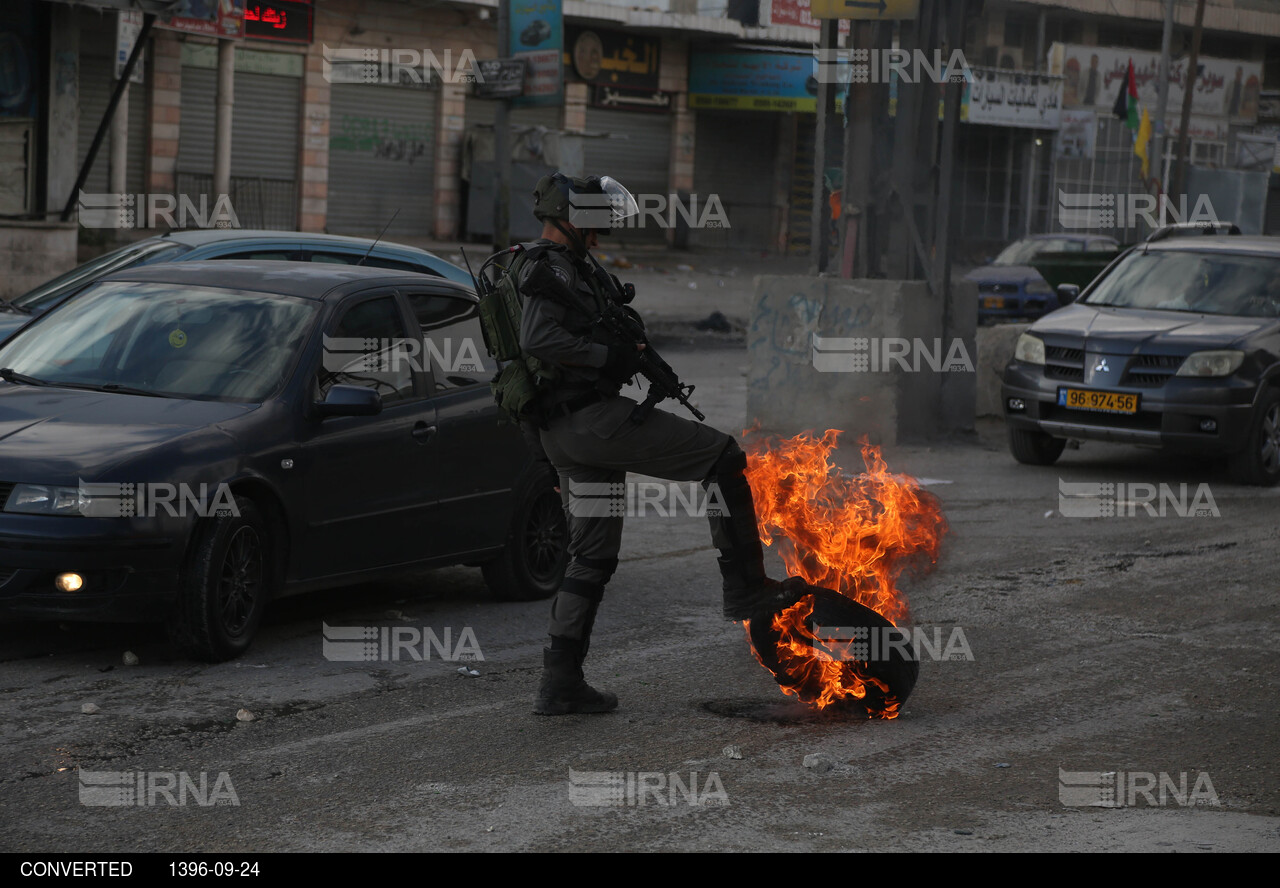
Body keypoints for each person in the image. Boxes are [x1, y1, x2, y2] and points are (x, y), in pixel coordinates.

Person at [514, 172, 803, 716]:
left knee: (591, 557)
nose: (599, 237)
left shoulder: (565, 268)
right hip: (594, 424)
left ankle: (560, 683)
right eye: (595, 226)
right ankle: (744, 588)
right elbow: (538, 338)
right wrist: (609, 359)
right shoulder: (550, 267)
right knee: (723, 457)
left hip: (565, 433)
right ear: (572, 219)